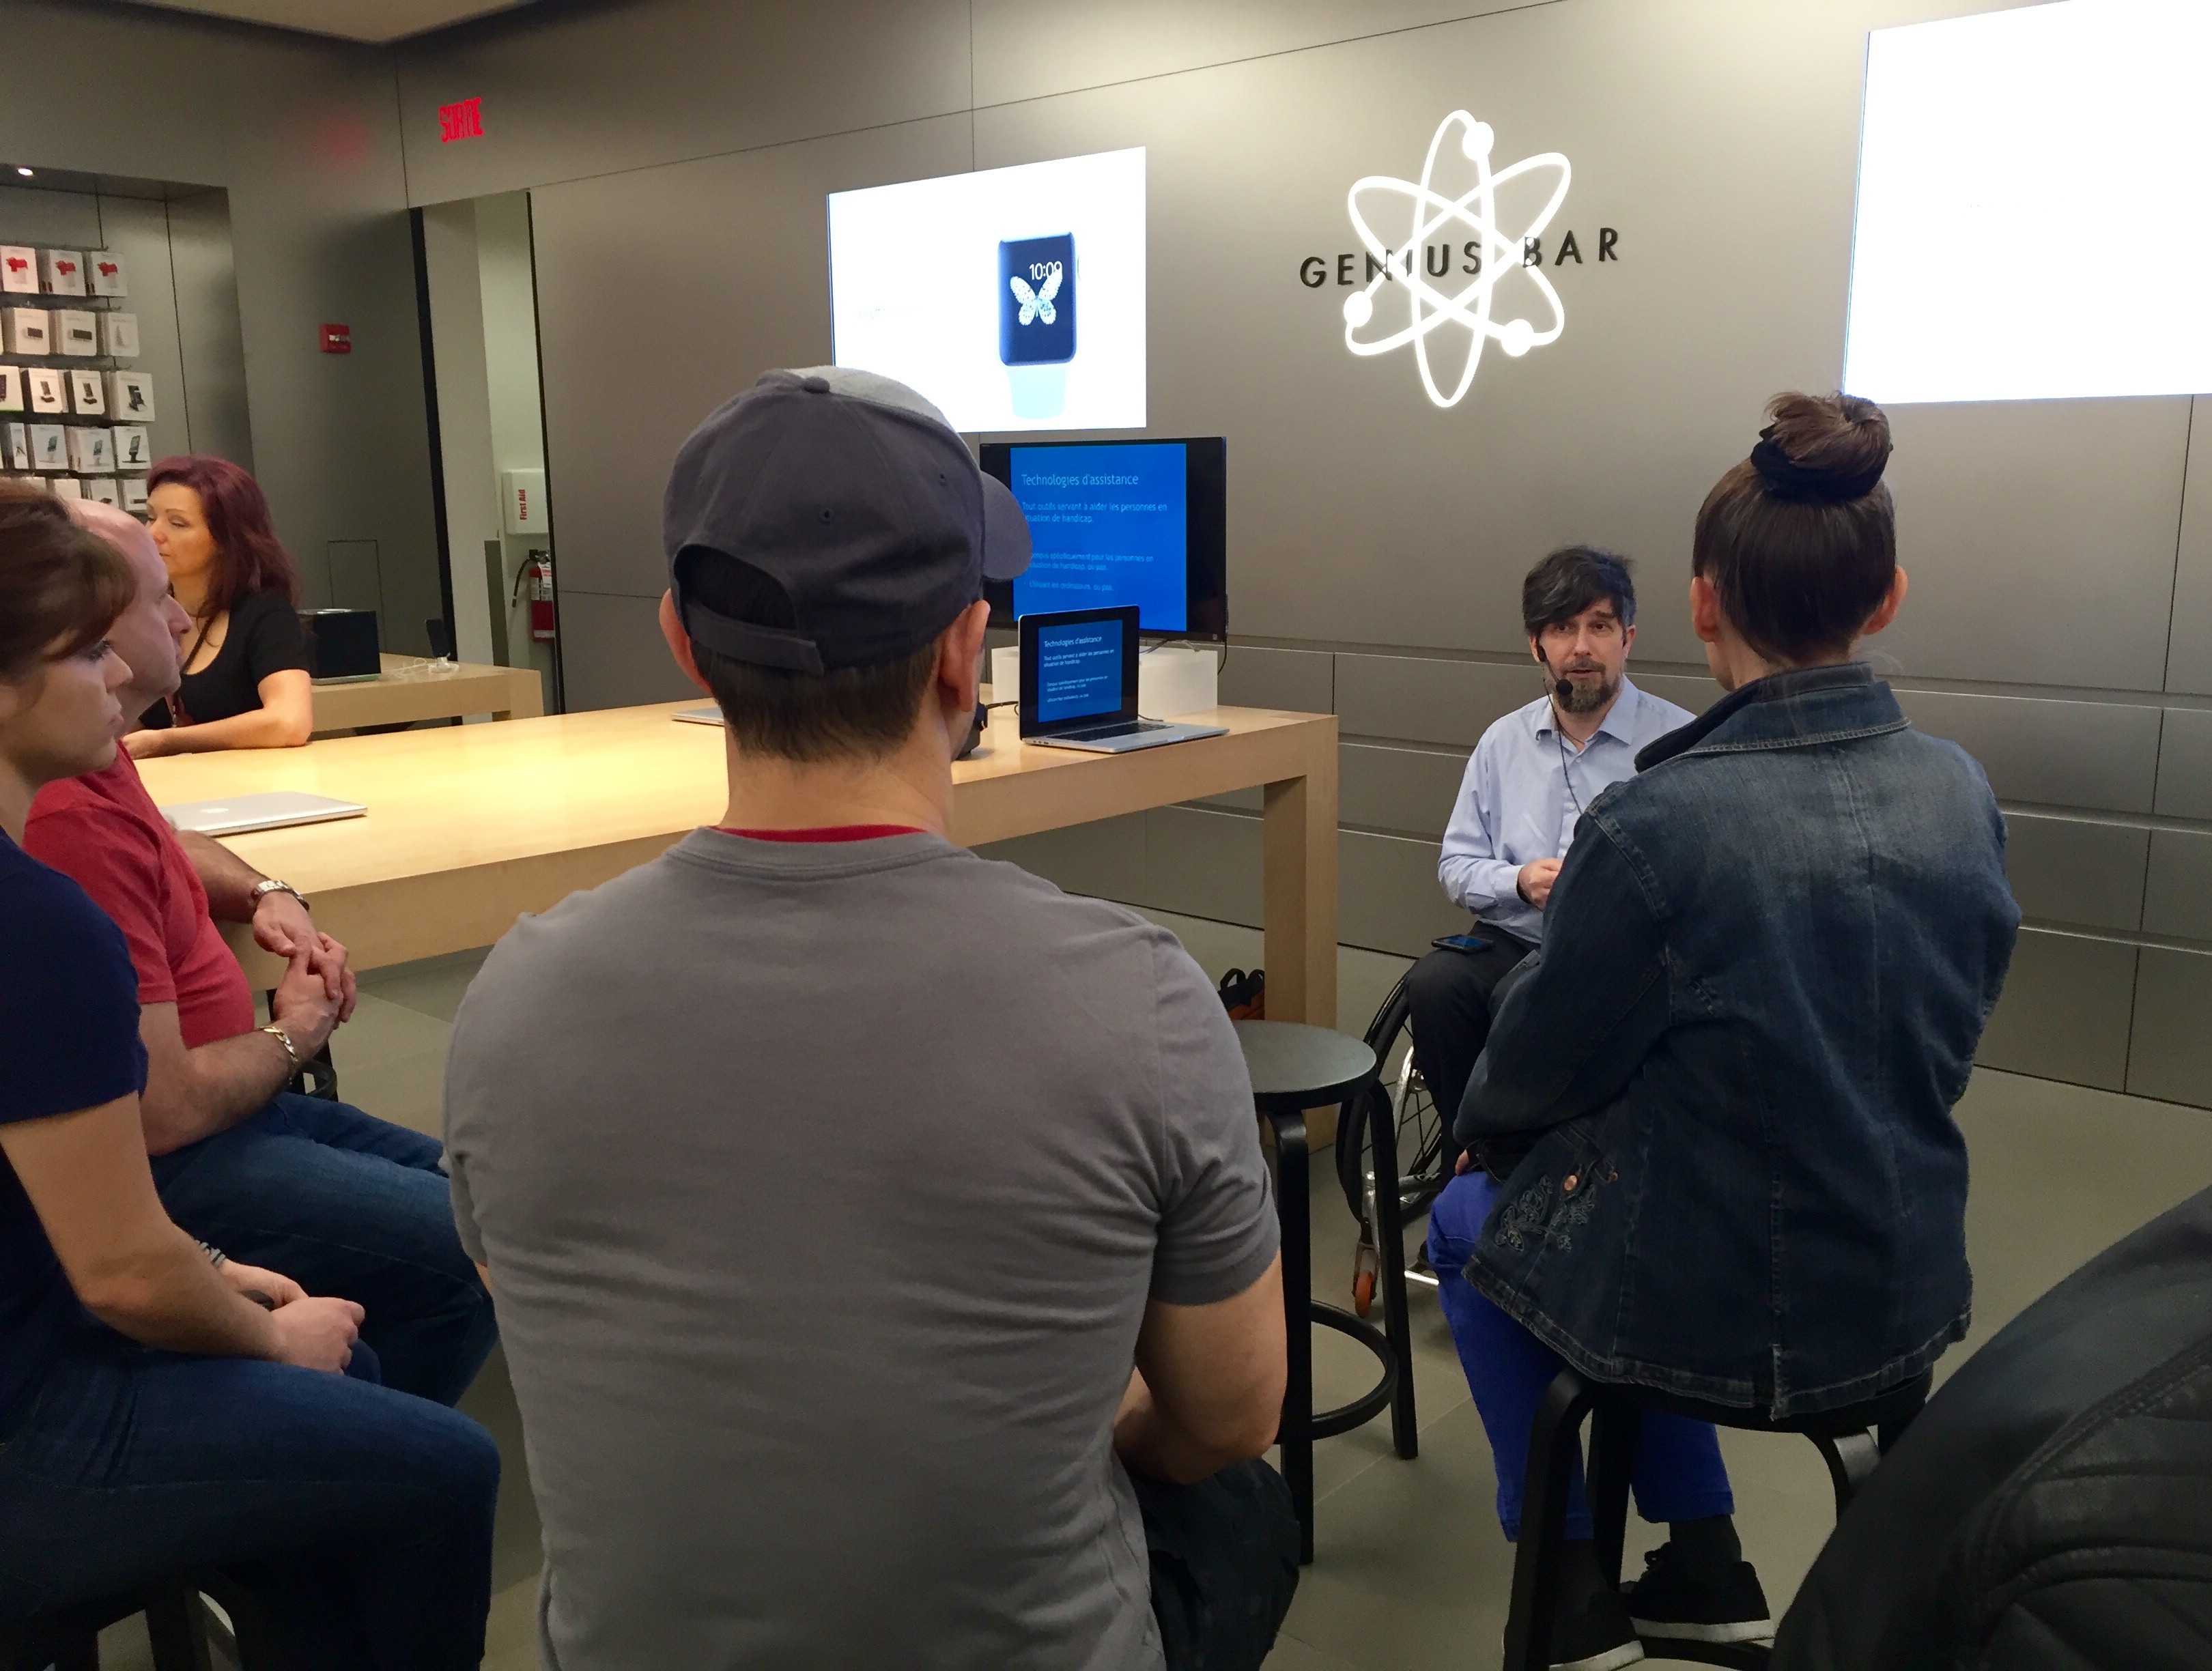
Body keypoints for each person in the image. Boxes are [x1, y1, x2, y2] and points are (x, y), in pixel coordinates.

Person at [445, 367, 1299, 1670]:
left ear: (684, 640)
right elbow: (1231, 1415)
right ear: (965, 653)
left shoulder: (510, 1000)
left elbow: (545, 1307)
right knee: (1239, 1506)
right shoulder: (1135, 996)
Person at [1428, 393, 2020, 1670]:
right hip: (1900, 1284)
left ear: (1695, 610)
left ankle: (1568, 1574)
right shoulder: (1959, 792)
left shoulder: (1655, 824)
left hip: (1709, 1299)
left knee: (1467, 1223)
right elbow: (1949, 1025)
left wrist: (1485, 1135)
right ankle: (1702, 1556)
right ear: (1888, 594)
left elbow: (1526, 1068)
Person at [0, 482, 497, 1666]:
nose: (121, 675)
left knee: (372, 1341)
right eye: (87, 651)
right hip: (34, 1419)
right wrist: (258, 1331)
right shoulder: (39, 922)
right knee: (447, 1465)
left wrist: (223, 1281)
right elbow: (120, 1262)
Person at [1406, 547, 1690, 1132]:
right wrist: (1516, 880)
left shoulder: (1677, 743)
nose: (1581, 647)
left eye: (1599, 626)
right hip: (1515, 938)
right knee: (1433, 986)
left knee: (1532, 1003)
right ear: (1536, 645)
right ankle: (1476, 1150)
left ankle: (1548, 1164)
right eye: (1562, 628)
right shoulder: (1501, 742)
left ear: (1628, 638)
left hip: (1626, 960)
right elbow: (1455, 863)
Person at [125, 455, 313, 756]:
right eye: (150, 516)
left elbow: (289, 722)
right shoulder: (140, 614)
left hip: (248, 788)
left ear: (226, 540)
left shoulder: (263, 614)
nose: (152, 534)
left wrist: (165, 741)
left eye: (177, 523)